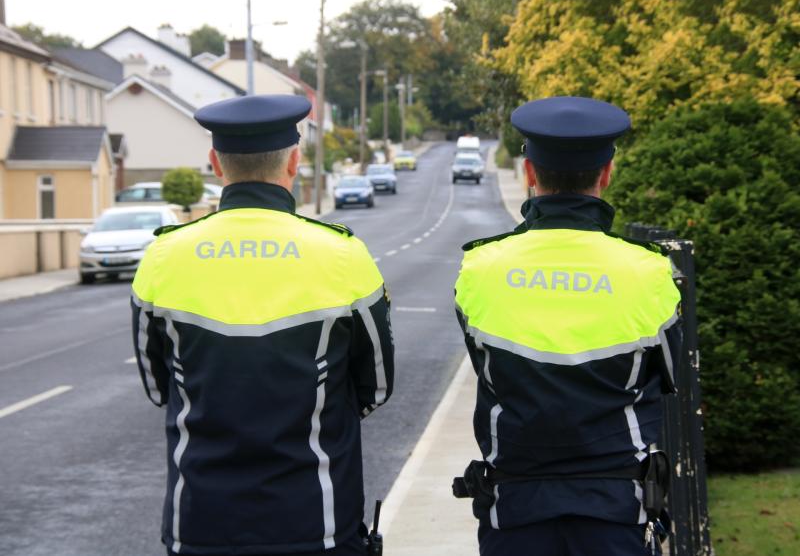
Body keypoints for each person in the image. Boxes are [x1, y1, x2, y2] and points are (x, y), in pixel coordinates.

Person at [130, 94, 394, 556]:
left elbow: (158, 389)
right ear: (294, 162)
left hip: (200, 526)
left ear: (215, 163)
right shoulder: (342, 255)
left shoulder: (163, 257)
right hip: (319, 525)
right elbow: (375, 388)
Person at [452, 96, 682, 555]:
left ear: (530, 174)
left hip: (515, 510)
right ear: (607, 174)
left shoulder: (480, 267)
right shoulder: (651, 272)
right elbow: (668, 380)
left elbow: (486, 367)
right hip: (617, 510)